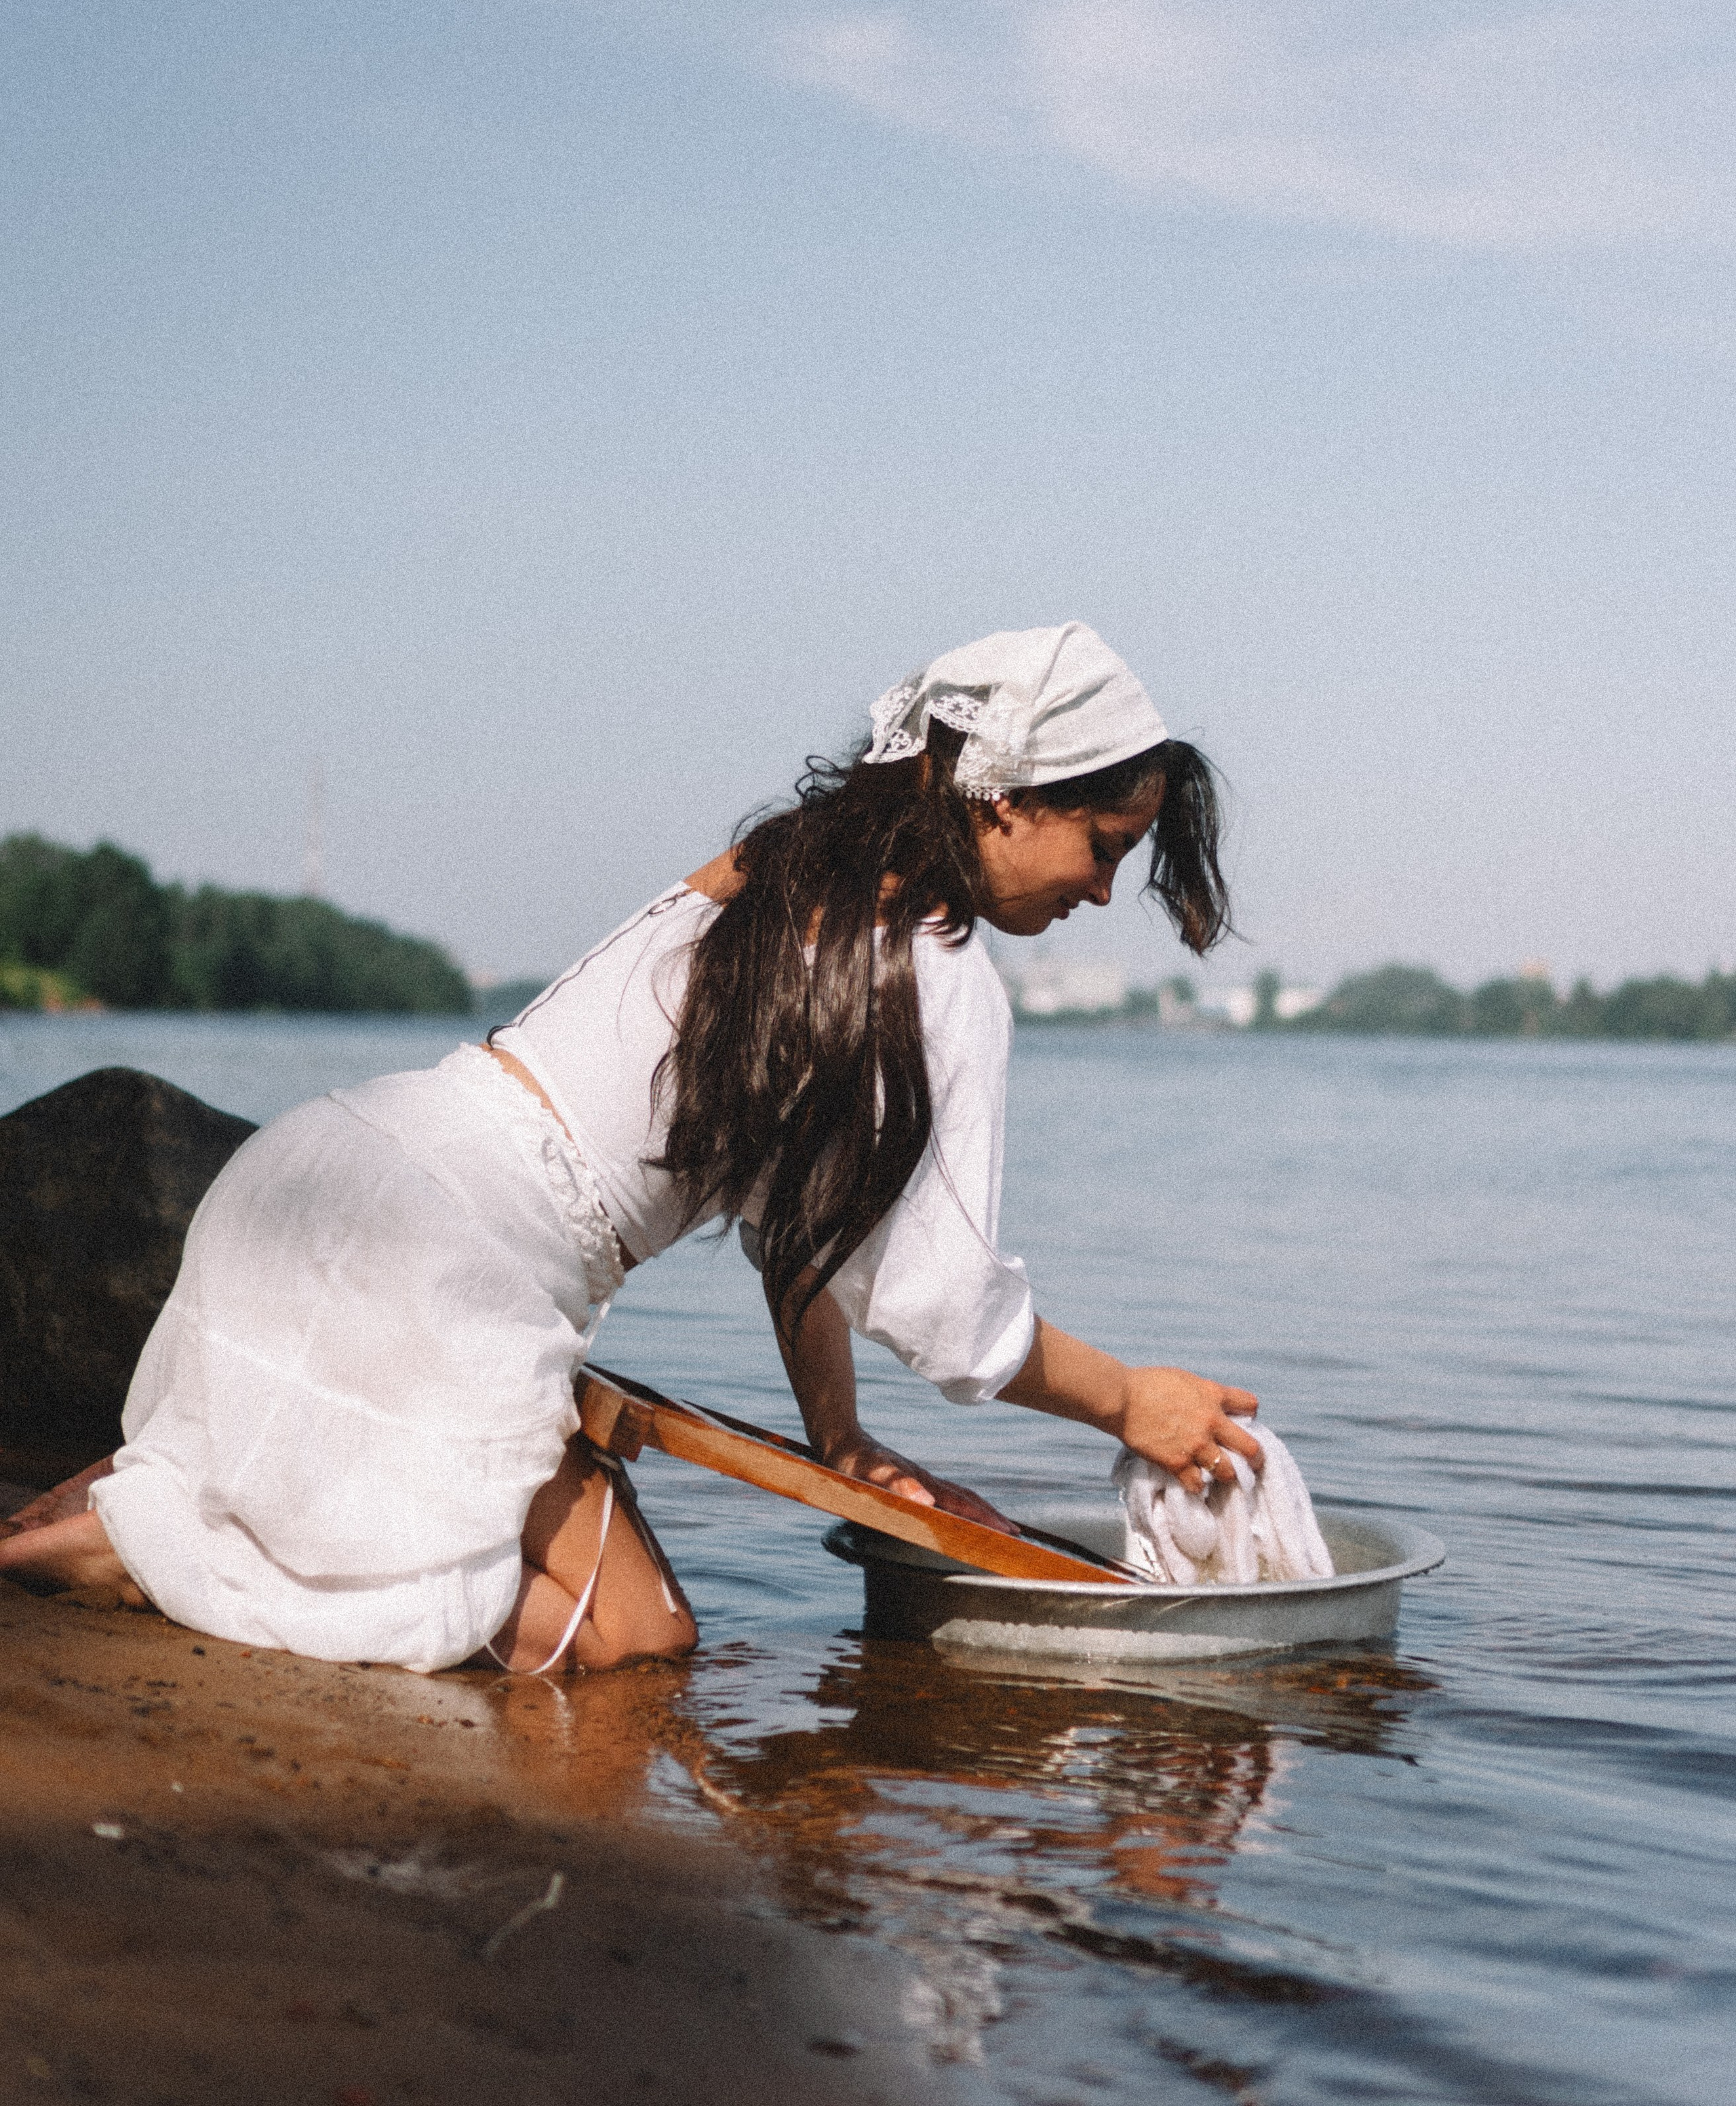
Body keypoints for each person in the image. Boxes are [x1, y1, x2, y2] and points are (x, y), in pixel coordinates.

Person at [2, 623, 1263, 1675]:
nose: (1103, 893)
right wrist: (1129, 1398)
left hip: (314, 1172)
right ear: (1004, 796)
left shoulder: (770, 870)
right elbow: (940, 1304)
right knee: (634, 1647)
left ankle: (156, 1514)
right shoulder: (938, 970)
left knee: (501, 1563)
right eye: (1103, 847)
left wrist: (837, 1438)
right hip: (440, 1266)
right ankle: (152, 1545)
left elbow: (802, 1226)